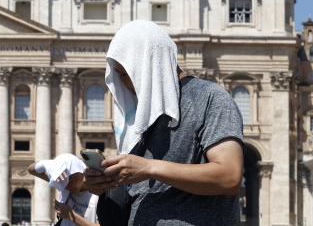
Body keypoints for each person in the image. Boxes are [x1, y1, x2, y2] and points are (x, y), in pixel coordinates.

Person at [84, 20, 245, 226]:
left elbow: (229, 176)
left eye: (127, 74)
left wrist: (149, 167)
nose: (124, 84)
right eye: (120, 76)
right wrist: (103, 184)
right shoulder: (138, 117)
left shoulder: (210, 98)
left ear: (149, 63)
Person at [29, 154, 98, 226]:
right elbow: (31, 169)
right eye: (63, 183)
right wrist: (49, 164)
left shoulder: (99, 193)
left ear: (81, 172)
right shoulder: (64, 185)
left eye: (69, 181)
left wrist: (71, 215)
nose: (67, 187)